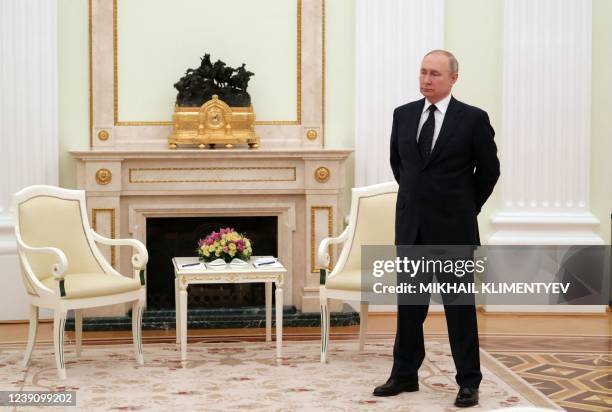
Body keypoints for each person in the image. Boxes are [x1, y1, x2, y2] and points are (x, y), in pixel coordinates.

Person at [374, 50, 500, 408]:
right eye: (423, 72)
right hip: (411, 226)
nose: (426, 80)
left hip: (454, 230)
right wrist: (419, 201)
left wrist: (464, 208)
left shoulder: (473, 119)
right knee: (409, 308)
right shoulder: (403, 115)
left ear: (453, 79)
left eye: (434, 74)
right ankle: (404, 375)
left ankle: (468, 382)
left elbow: (489, 171)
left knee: (459, 309)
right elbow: (400, 166)